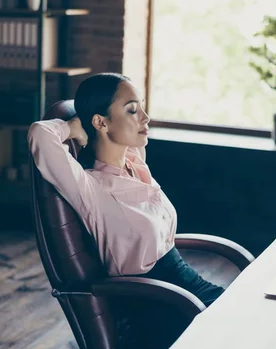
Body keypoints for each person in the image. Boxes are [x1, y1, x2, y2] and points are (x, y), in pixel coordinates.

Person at [28, 72, 224, 307]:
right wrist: (72, 127)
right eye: (132, 110)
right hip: (160, 303)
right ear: (101, 122)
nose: (146, 117)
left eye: (141, 107)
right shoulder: (90, 188)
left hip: (190, 287)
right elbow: (40, 133)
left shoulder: (135, 162)